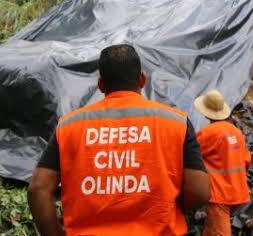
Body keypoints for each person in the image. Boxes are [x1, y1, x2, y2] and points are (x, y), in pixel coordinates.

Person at [28, 44, 210, 236]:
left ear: (101, 85)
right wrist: (169, 204)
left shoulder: (69, 126)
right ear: (142, 80)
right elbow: (199, 191)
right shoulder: (175, 122)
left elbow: (38, 189)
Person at [194, 90, 251, 236]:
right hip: (238, 193)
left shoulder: (208, 133)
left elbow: (191, 155)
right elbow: (247, 161)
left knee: (219, 232)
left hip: (220, 195)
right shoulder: (236, 132)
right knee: (212, 228)